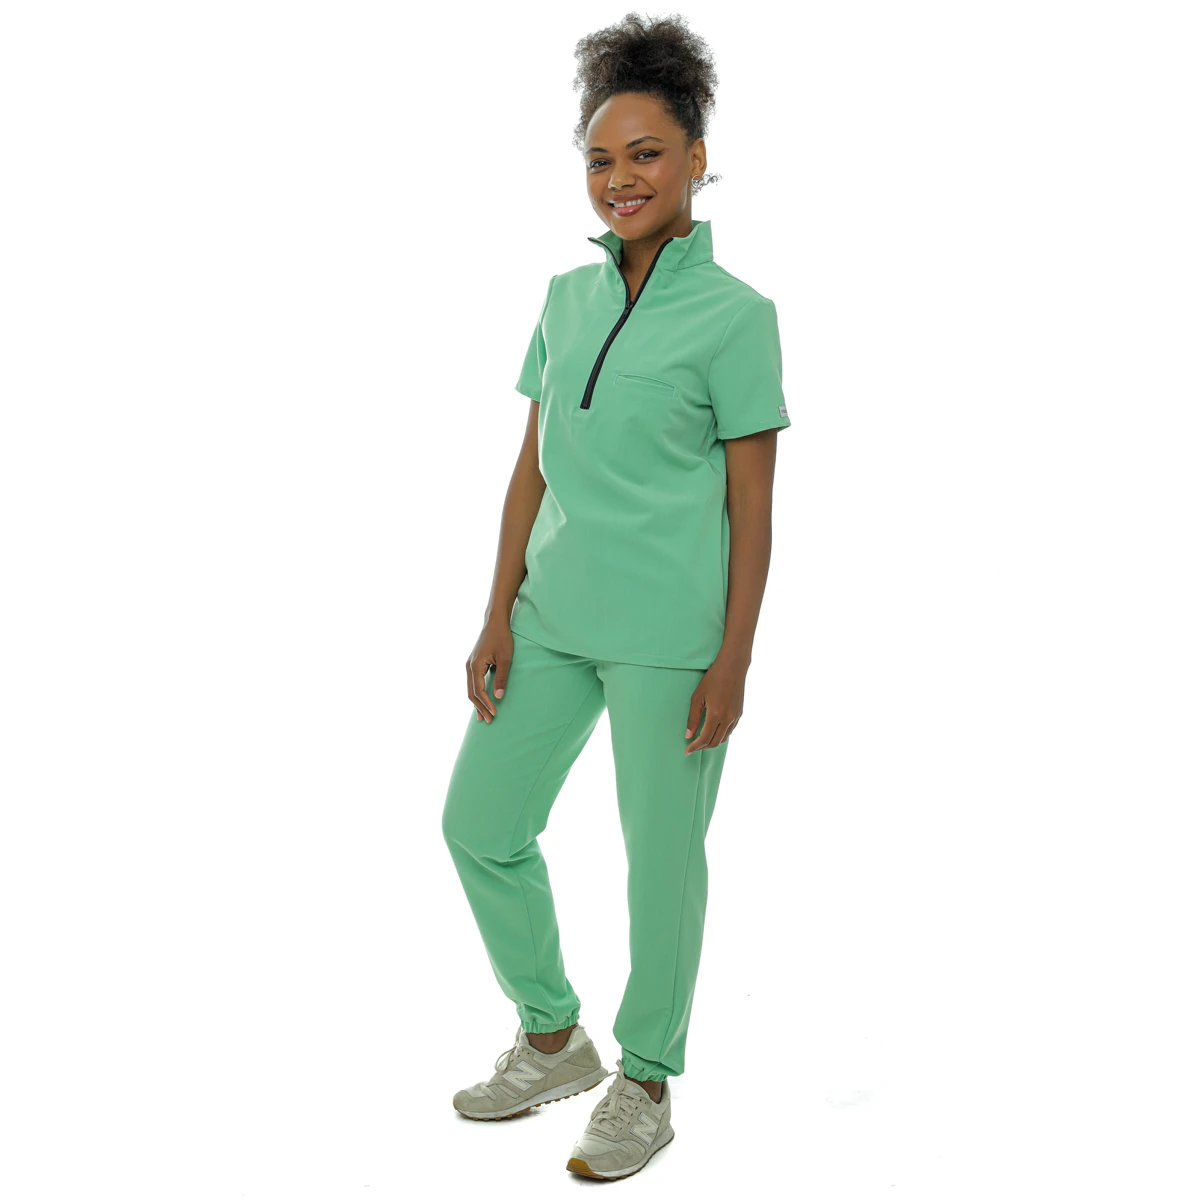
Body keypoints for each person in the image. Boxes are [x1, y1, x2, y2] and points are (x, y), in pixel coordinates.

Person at [441, 12, 791, 1181]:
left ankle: (644, 1080)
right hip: (550, 618)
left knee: (662, 864)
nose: (620, 178)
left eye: (646, 153)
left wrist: (733, 657)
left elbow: (754, 506)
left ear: (697, 158)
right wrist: (497, 611)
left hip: (670, 639)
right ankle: (553, 1037)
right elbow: (530, 468)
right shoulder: (562, 297)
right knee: (480, 825)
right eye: (600, 158)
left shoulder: (738, 317)